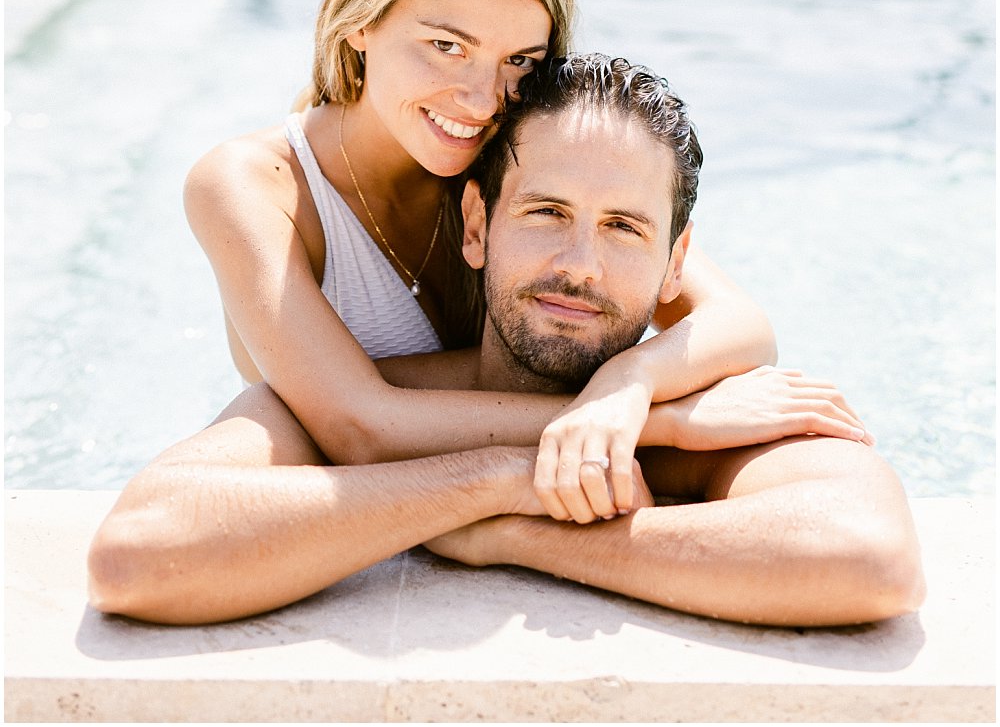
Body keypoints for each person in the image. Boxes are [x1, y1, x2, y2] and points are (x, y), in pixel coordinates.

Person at [88, 55, 924, 629]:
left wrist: (518, 536)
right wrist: (496, 478)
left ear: (677, 264)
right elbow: (138, 556)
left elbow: (868, 559)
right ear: (479, 226)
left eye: (624, 228)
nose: (580, 265)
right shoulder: (371, 393)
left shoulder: (714, 406)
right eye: (546, 212)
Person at [184, 0, 777, 519]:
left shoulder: (518, 161)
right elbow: (359, 427)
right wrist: (656, 422)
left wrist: (629, 383)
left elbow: (740, 323)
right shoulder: (253, 185)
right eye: (446, 45)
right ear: (361, 18)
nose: (480, 99)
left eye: (519, 60)